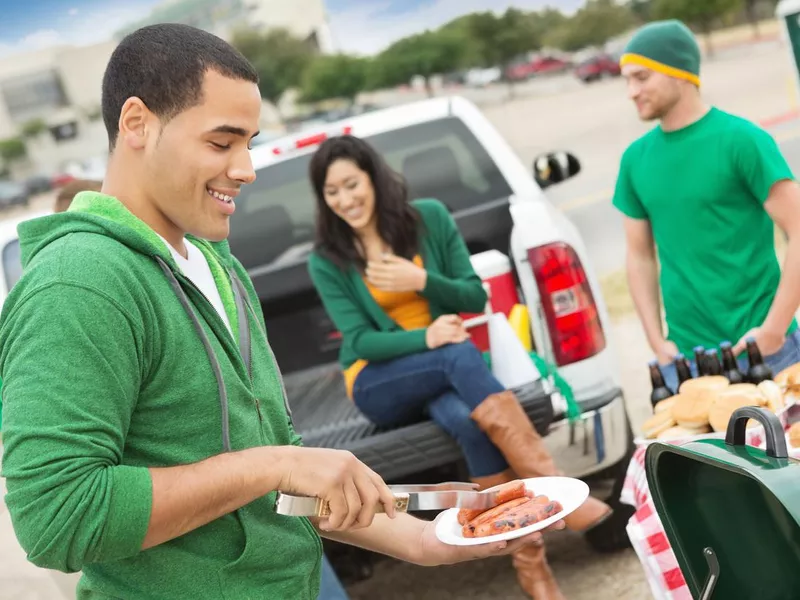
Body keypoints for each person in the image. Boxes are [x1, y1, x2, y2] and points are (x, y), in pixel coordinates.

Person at [0, 24, 557, 600]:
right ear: (137, 123)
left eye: (249, 141)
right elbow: (57, 519)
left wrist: (427, 542)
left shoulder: (216, 262)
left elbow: (288, 481)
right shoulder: (78, 283)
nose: (247, 168)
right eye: (222, 143)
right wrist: (271, 465)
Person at [306, 134, 619, 600]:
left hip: (442, 370)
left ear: (373, 176)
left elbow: (474, 296)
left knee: (467, 422)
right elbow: (359, 340)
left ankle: (532, 567)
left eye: (352, 184)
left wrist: (421, 280)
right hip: (377, 380)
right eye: (333, 193)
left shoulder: (428, 219)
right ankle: (555, 488)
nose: (345, 200)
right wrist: (425, 337)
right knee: (456, 355)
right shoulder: (328, 259)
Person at [613, 19, 800, 392]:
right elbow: (640, 256)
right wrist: (656, 341)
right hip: (687, 363)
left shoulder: (741, 140)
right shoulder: (635, 160)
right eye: (627, 80)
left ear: (679, 72)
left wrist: (775, 329)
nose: (631, 91)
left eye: (642, 77)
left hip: (766, 352)